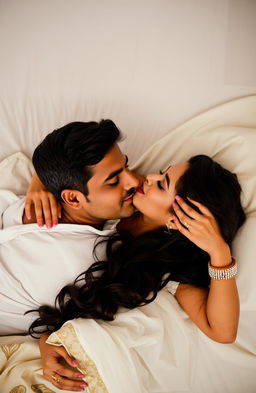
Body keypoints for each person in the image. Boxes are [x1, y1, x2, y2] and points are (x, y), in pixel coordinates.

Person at [26, 154, 245, 391]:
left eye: (162, 183)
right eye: (161, 172)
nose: (149, 177)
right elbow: (73, 162)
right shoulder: (122, 198)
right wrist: (41, 183)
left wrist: (219, 252)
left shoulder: (168, 272)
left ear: (182, 218)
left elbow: (223, 332)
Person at [0, 119, 144, 335]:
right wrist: (41, 180)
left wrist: (40, 180)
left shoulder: (89, 259)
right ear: (73, 199)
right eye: (114, 181)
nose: (133, 181)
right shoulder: (84, 265)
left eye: (126, 166)